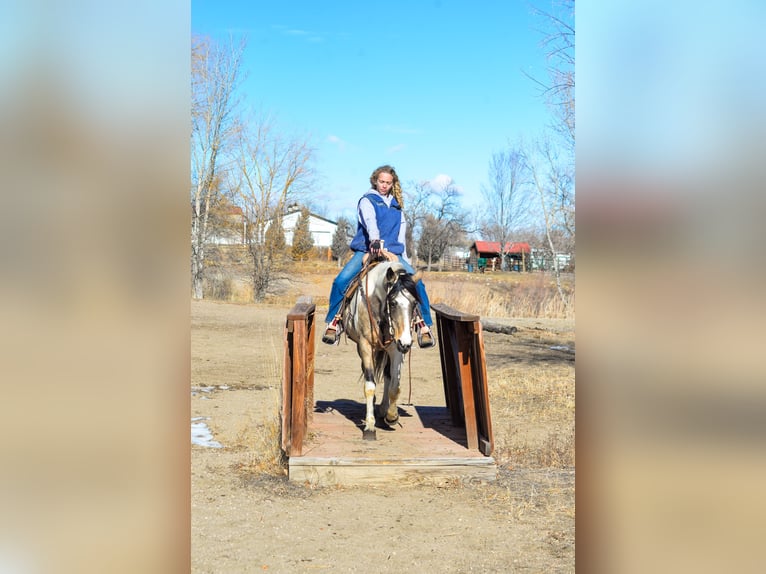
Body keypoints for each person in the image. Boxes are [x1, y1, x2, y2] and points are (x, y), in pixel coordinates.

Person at [322, 165, 435, 348]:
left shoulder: (398, 208)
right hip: (368, 250)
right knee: (341, 281)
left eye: (388, 183)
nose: (384, 185)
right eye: (381, 182)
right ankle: (333, 322)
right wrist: (375, 243)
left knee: (417, 283)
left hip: (395, 253)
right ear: (375, 180)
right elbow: (370, 222)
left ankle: (424, 326)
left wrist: (403, 259)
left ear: (392, 184)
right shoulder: (367, 201)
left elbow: (401, 237)